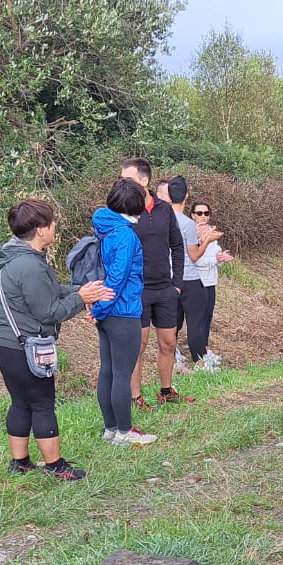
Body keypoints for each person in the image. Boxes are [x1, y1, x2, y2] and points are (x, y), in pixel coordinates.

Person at [0, 199, 113, 479]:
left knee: (20, 400)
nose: (55, 227)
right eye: (52, 223)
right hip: (19, 343)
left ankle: (20, 463)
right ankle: (56, 467)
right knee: (42, 402)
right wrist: (82, 299)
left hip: (0, 338)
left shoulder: (17, 255)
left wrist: (81, 290)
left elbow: (50, 291)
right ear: (41, 230)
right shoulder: (29, 265)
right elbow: (48, 312)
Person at [120, 158, 188, 409]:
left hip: (165, 289)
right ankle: (136, 397)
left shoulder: (164, 209)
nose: (122, 184)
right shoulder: (123, 212)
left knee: (169, 342)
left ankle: (166, 390)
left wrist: (177, 283)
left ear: (144, 181)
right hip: (137, 290)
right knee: (138, 345)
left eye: (128, 179)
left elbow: (177, 246)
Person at [92, 177, 155, 447]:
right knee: (122, 374)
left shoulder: (105, 226)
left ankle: (110, 429)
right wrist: (101, 307)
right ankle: (125, 431)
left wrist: (98, 309)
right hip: (124, 310)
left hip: (107, 314)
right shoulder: (126, 235)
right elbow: (117, 277)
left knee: (107, 370)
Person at [174, 185, 224, 373]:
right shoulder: (187, 228)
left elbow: (213, 254)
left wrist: (218, 257)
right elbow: (194, 258)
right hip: (193, 281)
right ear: (192, 214)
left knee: (205, 318)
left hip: (207, 280)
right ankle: (196, 359)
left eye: (206, 213)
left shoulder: (208, 231)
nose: (203, 216)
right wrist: (207, 244)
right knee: (192, 322)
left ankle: (202, 352)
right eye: (199, 213)